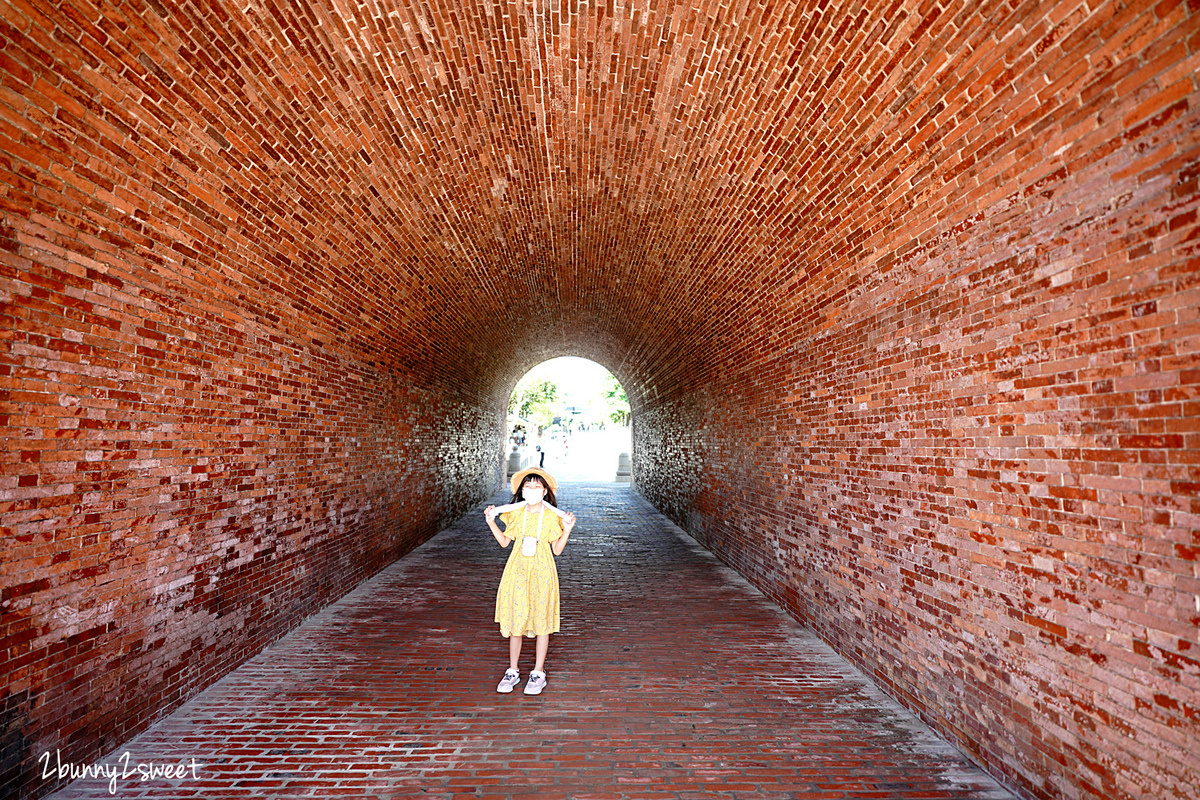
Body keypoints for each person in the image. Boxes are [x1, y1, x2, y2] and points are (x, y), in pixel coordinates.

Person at [484, 467, 576, 695]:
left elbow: (557, 549)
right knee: (516, 619)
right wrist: (491, 523)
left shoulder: (554, 516)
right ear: (521, 490)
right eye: (528, 486)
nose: (532, 490)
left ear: (545, 491)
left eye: (537, 486)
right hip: (516, 571)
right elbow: (505, 542)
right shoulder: (515, 513)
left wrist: (566, 530)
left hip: (543, 573)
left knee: (541, 620)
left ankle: (538, 672)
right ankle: (512, 670)